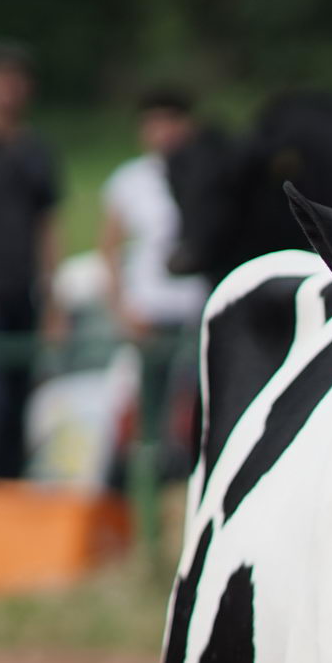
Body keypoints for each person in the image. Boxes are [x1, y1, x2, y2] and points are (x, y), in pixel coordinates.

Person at [99, 86, 211, 470]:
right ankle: (146, 490)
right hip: (150, 309)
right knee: (148, 410)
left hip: (197, 306)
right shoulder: (130, 180)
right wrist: (120, 307)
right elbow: (110, 248)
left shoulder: (207, 171)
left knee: (197, 405)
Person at [0, 40, 61, 478]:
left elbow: (48, 225)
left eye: (18, 80)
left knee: (20, 402)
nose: (11, 89)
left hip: (22, 291)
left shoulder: (35, 150)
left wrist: (53, 299)